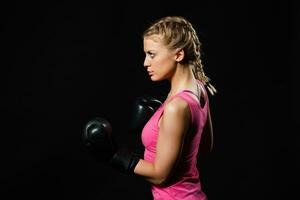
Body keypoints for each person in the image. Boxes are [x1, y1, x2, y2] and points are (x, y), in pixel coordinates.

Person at [82, 15, 216, 200]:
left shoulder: (176, 107)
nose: (146, 62)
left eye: (152, 54)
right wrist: (162, 129)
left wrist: (114, 155)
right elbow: (204, 146)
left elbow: (160, 176)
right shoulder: (199, 88)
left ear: (178, 54)